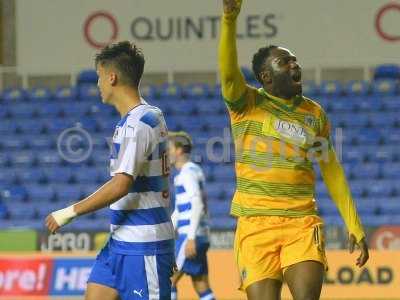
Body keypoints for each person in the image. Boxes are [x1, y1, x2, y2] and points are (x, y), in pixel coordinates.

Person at [218, 1, 369, 299]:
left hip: (301, 223)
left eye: (295, 60)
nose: (295, 65)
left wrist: (354, 224)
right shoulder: (246, 104)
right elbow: (228, 74)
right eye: (285, 62)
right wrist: (229, 20)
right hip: (254, 225)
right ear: (266, 77)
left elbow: (332, 171)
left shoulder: (314, 114)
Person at [45, 41, 175, 300]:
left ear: (112, 77)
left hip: (143, 244)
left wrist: (69, 212)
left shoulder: (138, 124)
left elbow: (121, 184)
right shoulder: (147, 116)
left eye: (99, 77)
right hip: (121, 241)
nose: (98, 84)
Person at [168, 131, 215, 300]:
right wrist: (168, 231)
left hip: (191, 236)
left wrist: (190, 237)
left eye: (169, 148)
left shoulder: (186, 173)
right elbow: (181, 209)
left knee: (167, 280)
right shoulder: (195, 170)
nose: (167, 153)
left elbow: (197, 203)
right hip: (201, 235)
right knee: (201, 284)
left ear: (179, 150)